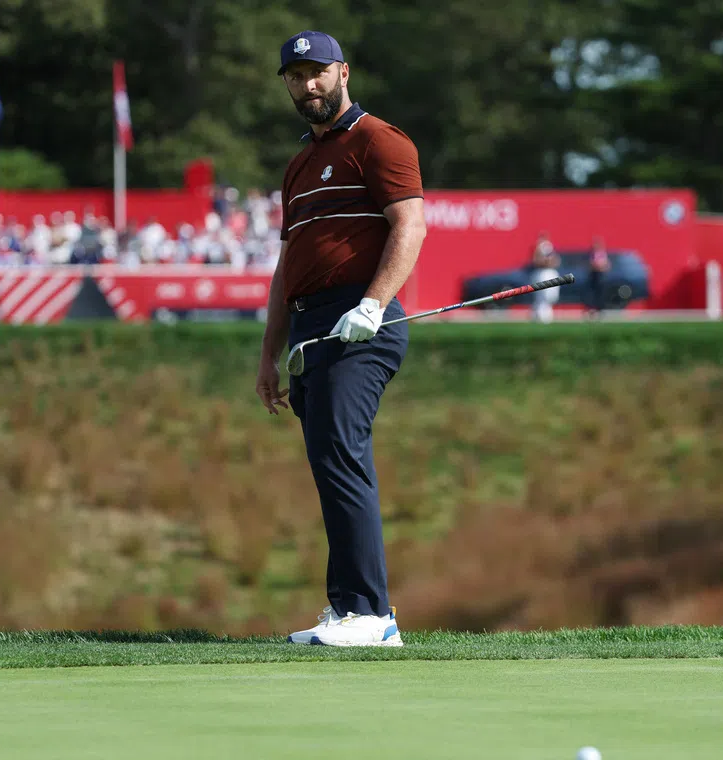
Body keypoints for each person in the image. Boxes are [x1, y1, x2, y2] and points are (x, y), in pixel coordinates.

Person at [254, 30, 426, 647]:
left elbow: (410, 226)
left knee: (341, 455)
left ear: (343, 72)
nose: (309, 85)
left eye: (318, 73)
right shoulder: (298, 165)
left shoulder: (380, 141)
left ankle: (371, 616)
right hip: (310, 328)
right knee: (329, 461)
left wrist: (373, 304)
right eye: (296, 76)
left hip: (359, 325)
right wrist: (269, 355)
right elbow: (287, 268)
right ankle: (346, 608)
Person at [529, 231, 560, 323]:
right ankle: (540, 316)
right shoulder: (540, 247)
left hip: (547, 272)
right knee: (542, 297)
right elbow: (537, 261)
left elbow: (554, 261)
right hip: (542, 273)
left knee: (548, 297)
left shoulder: (547, 246)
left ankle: (542, 316)